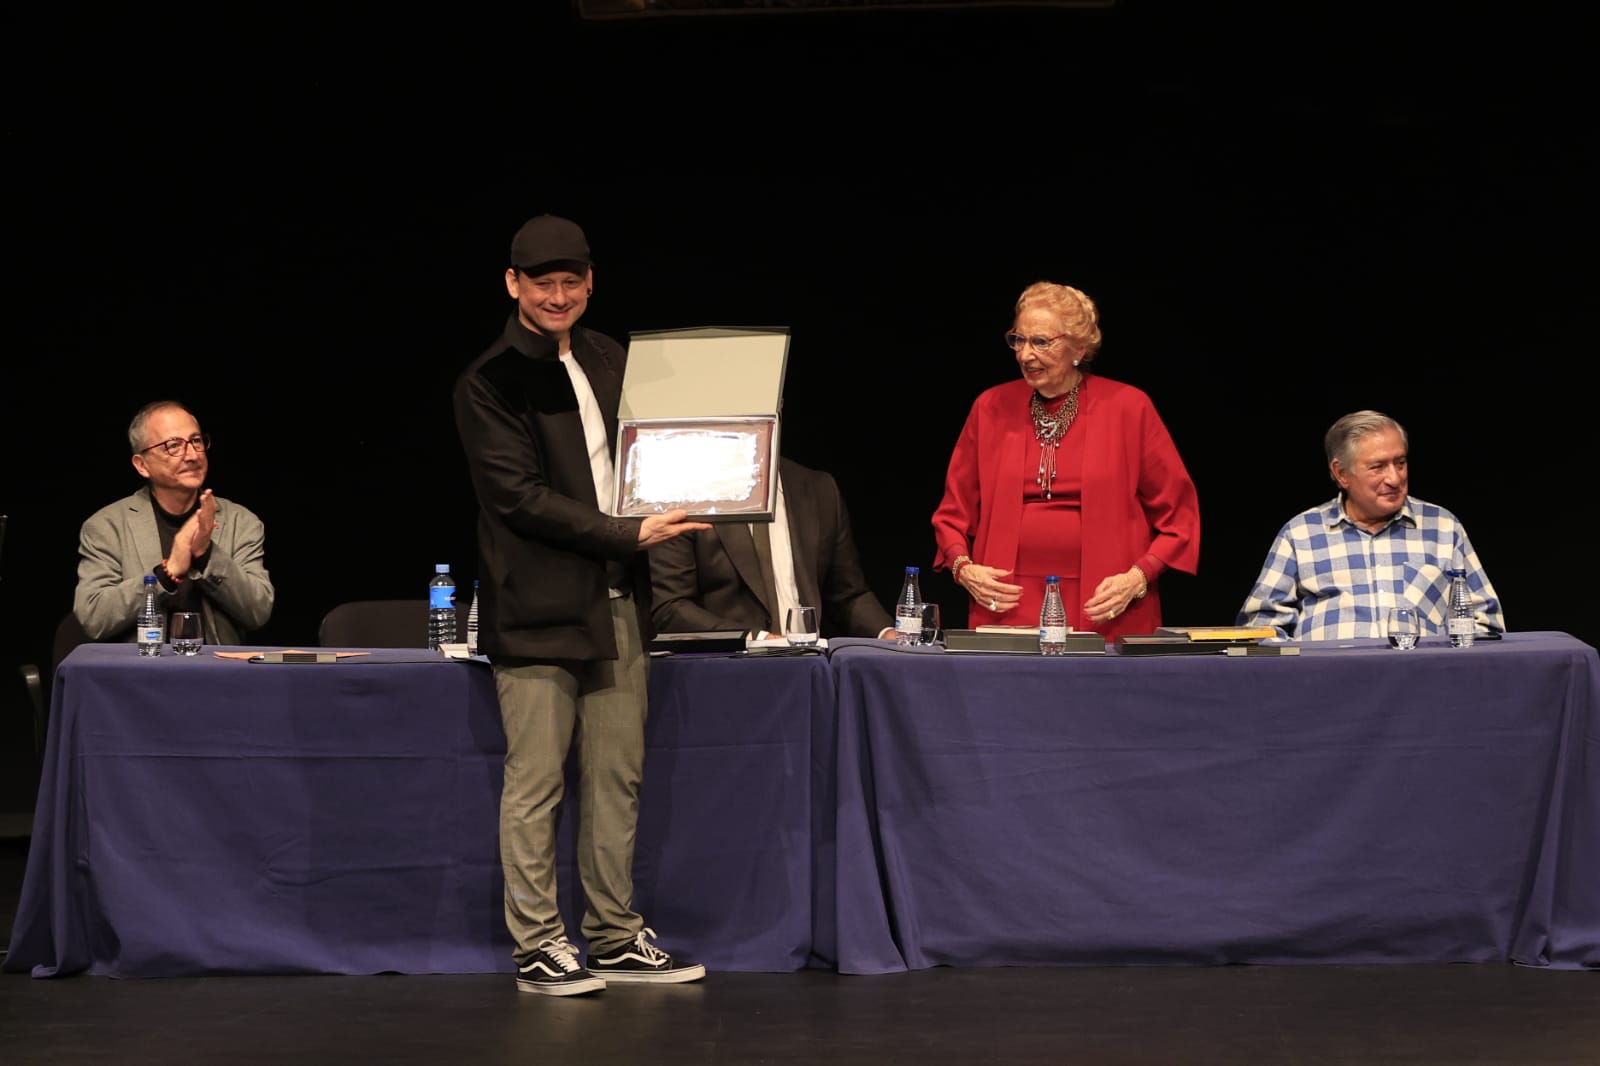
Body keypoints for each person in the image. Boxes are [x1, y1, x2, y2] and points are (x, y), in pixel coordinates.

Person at [453, 214, 712, 997]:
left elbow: (654, 449)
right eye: (543, 282)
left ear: (590, 281)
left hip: (617, 603)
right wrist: (628, 532)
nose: (558, 294)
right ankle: (538, 943)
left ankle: (613, 934)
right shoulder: (488, 381)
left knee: (615, 777)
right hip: (537, 606)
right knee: (537, 782)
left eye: (571, 281)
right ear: (514, 284)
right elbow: (520, 499)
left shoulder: (610, 356)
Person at [931, 281, 1200, 639]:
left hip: (1106, 605)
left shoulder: (1128, 408)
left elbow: (1179, 517)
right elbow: (953, 513)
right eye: (1018, 340)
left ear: (1079, 347)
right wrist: (964, 569)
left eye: (1041, 342)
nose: (1025, 355)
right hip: (1005, 603)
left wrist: (1137, 578)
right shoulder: (990, 407)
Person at [1236, 409, 1505, 640]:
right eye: (1378, 467)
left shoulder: (1443, 528)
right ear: (1341, 473)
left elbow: (1485, 621)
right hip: (1327, 688)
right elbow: (1261, 627)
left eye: (1400, 463)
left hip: (1423, 686)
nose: (1394, 478)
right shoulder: (1301, 533)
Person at [73, 400, 273, 645]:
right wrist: (165, 576)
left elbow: (258, 611)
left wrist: (206, 555)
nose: (191, 455)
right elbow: (94, 618)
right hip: (140, 676)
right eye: (173, 446)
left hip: (217, 675)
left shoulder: (241, 521)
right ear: (142, 465)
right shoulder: (106, 526)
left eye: (196, 441)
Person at [649, 456, 895, 640]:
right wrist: (757, 638)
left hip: (808, 666)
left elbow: (849, 594)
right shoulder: (684, 493)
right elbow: (671, 608)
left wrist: (887, 634)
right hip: (724, 670)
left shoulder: (818, 488)